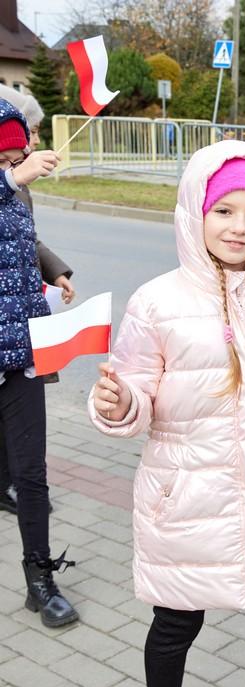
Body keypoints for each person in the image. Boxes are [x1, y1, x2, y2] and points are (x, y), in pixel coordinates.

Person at [89, 140, 245, 687]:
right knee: (177, 623)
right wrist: (121, 403)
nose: (239, 227)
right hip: (186, 498)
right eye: (223, 210)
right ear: (195, 211)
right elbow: (134, 387)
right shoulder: (157, 301)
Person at [0, 97, 78, 626]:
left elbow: (26, 238)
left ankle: (40, 580)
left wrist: (56, 272)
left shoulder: (18, 188)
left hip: (22, 351)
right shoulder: (11, 181)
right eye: (5, 159)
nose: (16, 166)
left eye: (18, 157)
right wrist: (9, 179)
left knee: (32, 473)